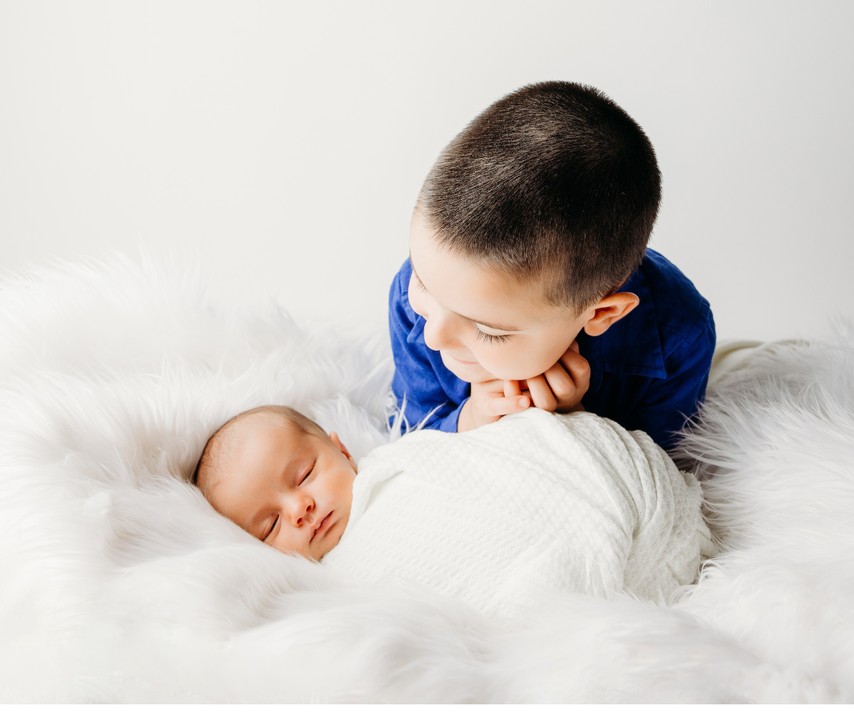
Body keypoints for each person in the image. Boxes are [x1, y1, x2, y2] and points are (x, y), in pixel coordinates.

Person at [389, 81, 716, 451]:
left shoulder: (678, 337)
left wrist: (575, 423)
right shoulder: (422, 287)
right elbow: (409, 434)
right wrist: (472, 421)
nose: (433, 336)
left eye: (488, 329)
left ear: (602, 314)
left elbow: (662, 473)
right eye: (424, 285)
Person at [193, 402, 713, 618]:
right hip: (563, 606)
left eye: (303, 476)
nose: (300, 508)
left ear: (343, 450)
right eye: (271, 525)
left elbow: (503, 461)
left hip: (624, 505)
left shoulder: (409, 463)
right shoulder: (334, 590)